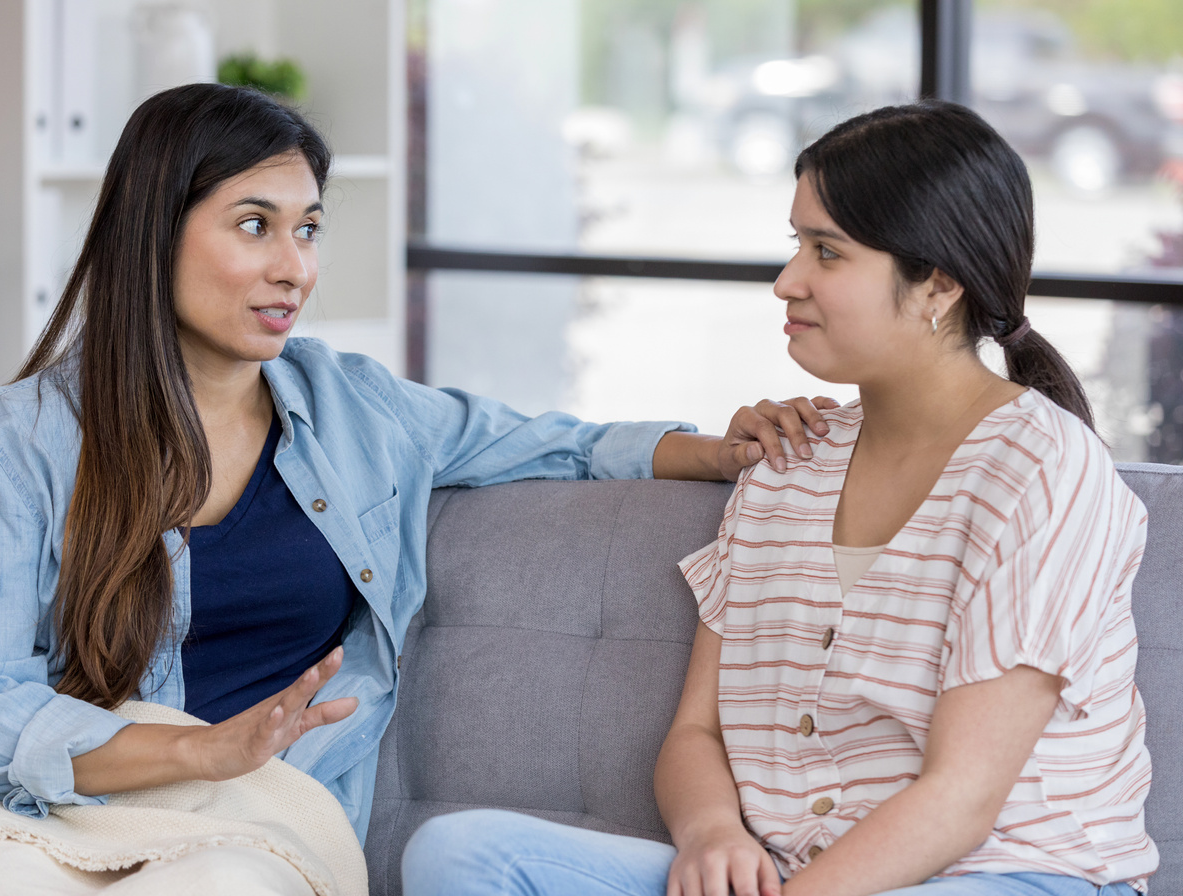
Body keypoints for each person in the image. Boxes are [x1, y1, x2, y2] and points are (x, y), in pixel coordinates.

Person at [0, 82, 831, 849]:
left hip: (264, 824)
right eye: (254, 224)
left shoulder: (353, 407)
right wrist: (196, 753)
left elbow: (558, 443)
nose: (294, 267)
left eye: (307, 229)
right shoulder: (8, 444)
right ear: (154, 232)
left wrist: (721, 448)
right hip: (58, 818)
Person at [401, 101, 1157, 895]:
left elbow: (961, 800)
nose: (786, 281)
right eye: (795, 243)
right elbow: (697, 731)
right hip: (793, 875)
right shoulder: (789, 461)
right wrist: (712, 834)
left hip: (1008, 874)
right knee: (460, 855)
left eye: (826, 252)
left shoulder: (1043, 468)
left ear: (938, 285)